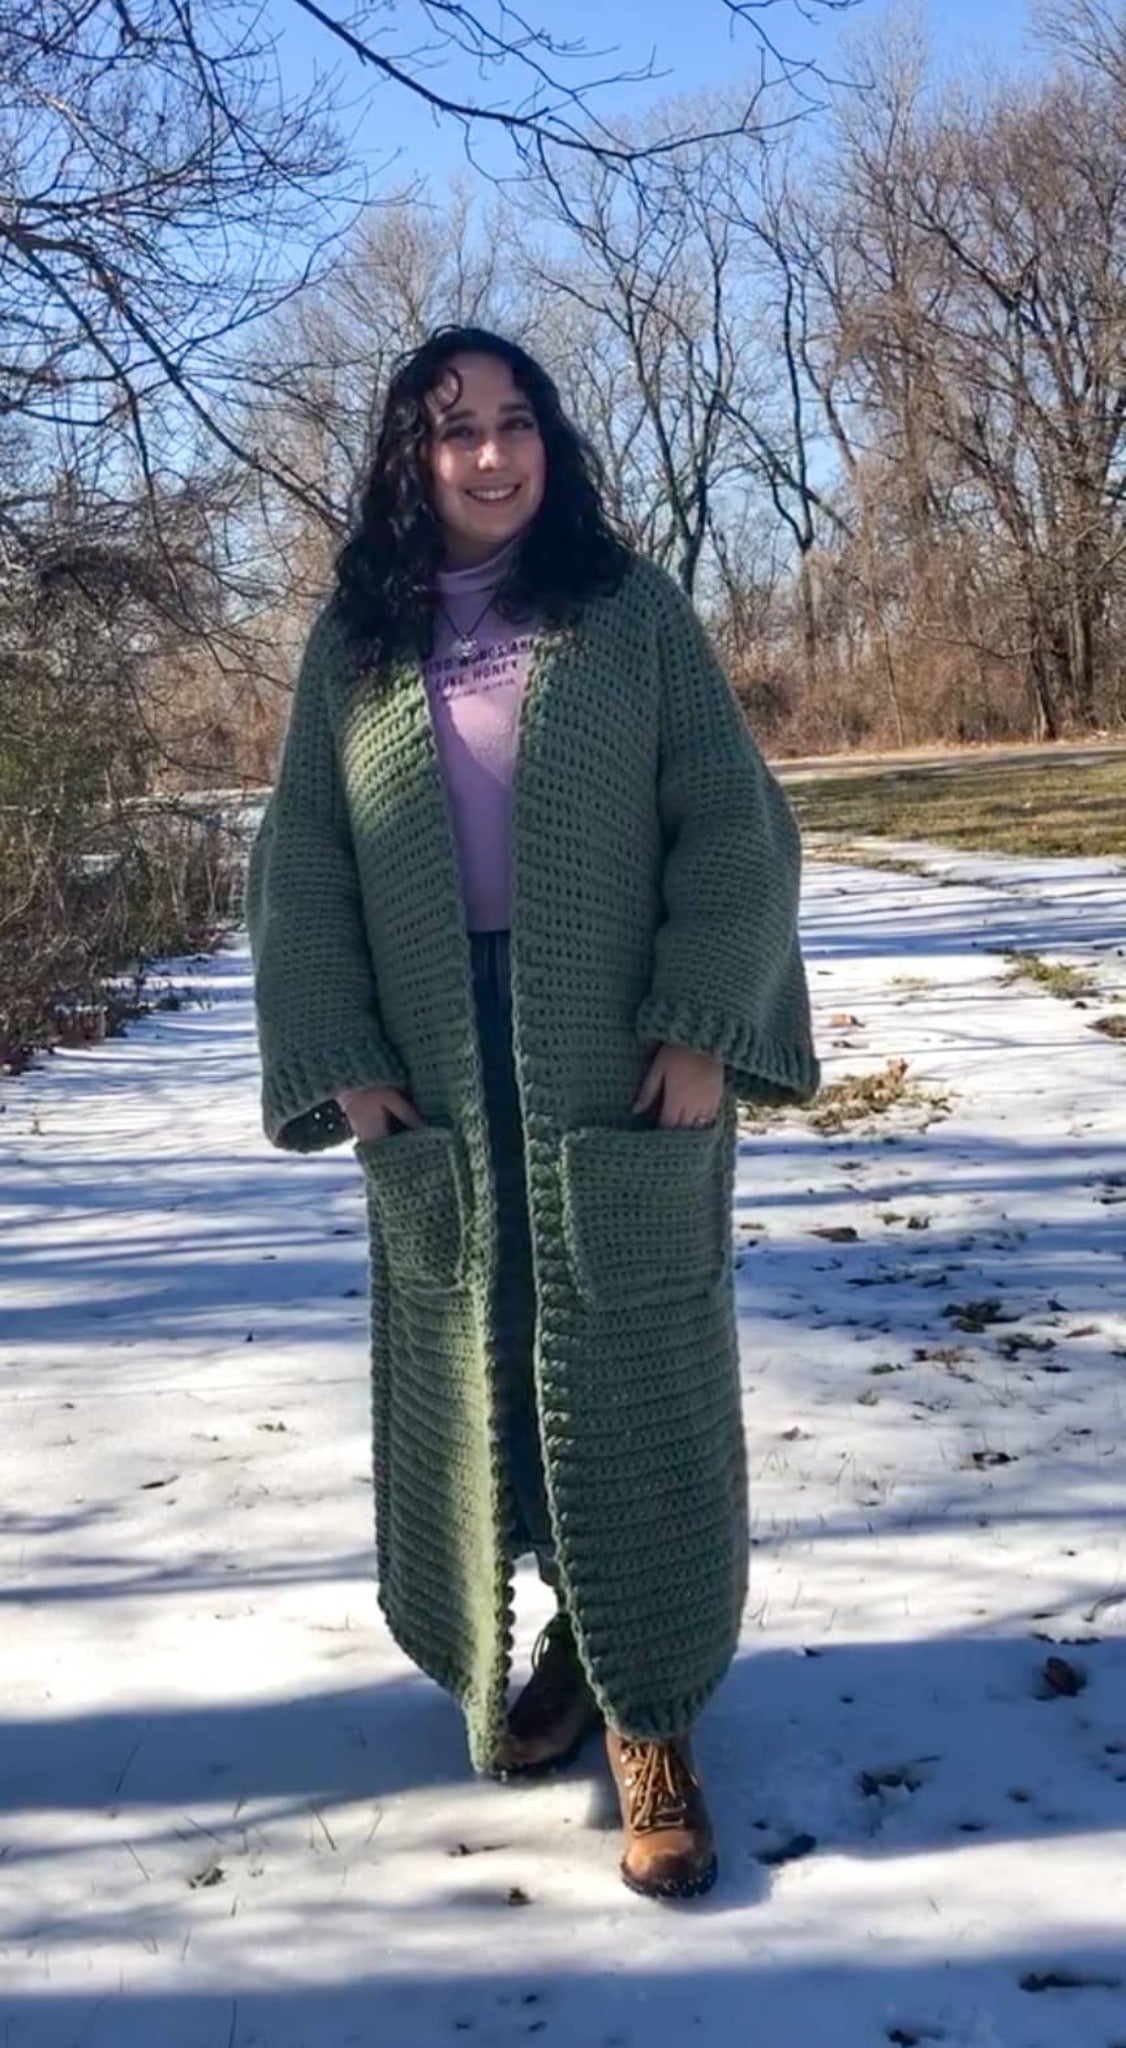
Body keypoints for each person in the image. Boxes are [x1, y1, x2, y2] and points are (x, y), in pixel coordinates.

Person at [245, 325, 820, 1901]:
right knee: (483, 1371)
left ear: (549, 442)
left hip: (613, 1056)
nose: (490, 455)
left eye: (515, 424)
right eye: (454, 431)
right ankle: (546, 1650)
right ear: (407, 459)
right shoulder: (354, 640)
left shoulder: (624, 612)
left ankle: (652, 1720)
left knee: (627, 1372)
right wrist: (344, 1055)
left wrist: (705, 1022)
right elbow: (300, 872)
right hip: (435, 1062)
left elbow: (733, 826)